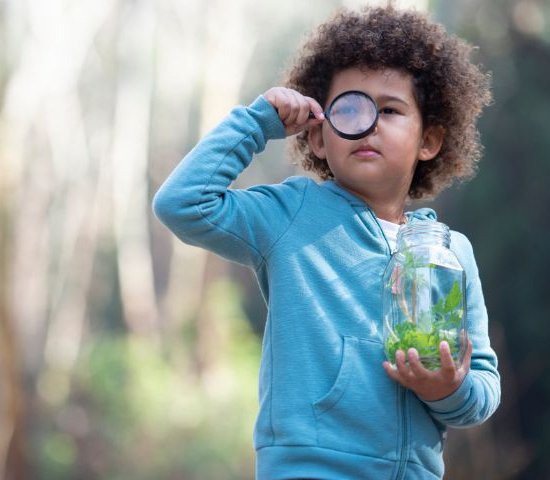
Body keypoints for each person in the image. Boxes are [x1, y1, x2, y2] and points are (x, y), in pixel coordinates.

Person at [153, 5, 500, 479]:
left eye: (392, 109)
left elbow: (481, 387)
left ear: (430, 140)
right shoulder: (291, 215)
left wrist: (447, 391)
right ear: (319, 137)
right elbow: (181, 204)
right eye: (350, 108)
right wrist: (258, 124)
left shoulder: (449, 251)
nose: (370, 123)